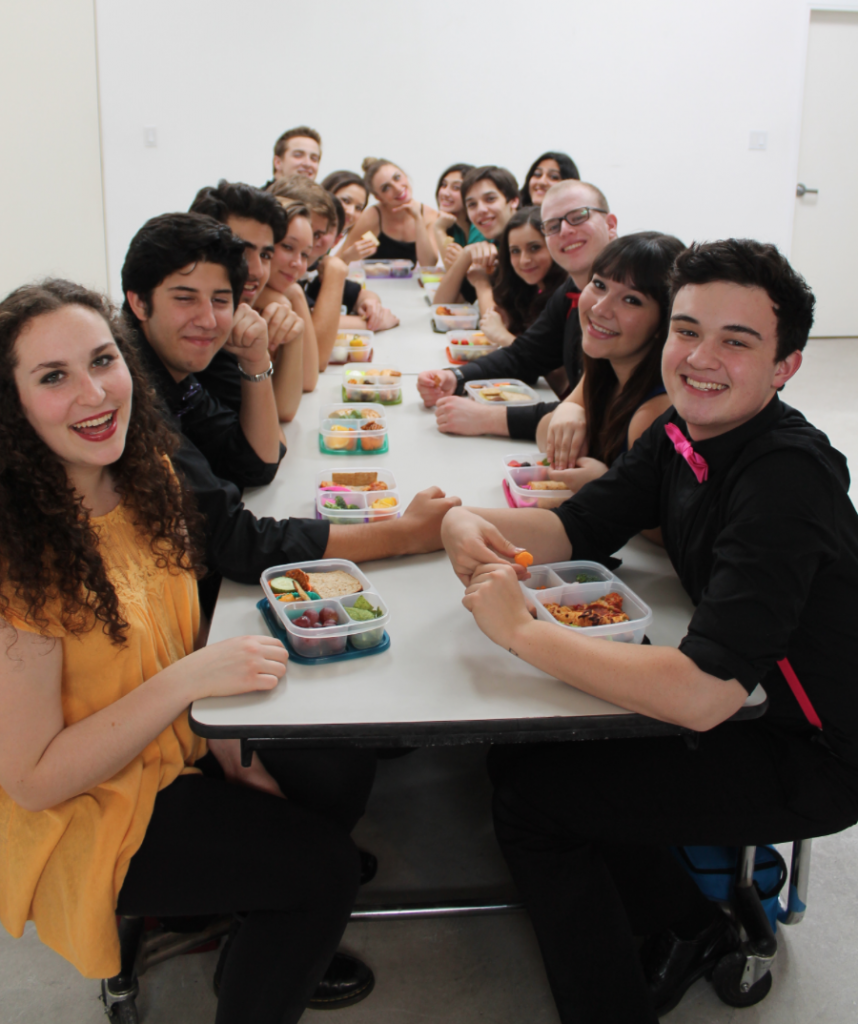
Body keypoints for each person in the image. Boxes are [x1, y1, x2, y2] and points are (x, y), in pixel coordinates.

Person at [440, 239, 858, 1023]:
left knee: (533, 802)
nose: (700, 358)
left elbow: (703, 696)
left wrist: (522, 634)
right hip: (748, 702)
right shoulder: (679, 436)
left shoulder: (784, 477)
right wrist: (460, 519)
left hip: (810, 748)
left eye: (737, 341)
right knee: (523, 752)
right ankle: (695, 928)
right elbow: (577, 528)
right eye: (688, 330)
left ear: (786, 367)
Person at [0, 279, 374, 1021]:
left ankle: (263, 925)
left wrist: (235, 751)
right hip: (89, 808)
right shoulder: (20, 555)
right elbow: (36, 782)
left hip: (178, 742)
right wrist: (189, 688)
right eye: (52, 377)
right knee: (325, 872)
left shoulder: (146, 478)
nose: (93, 393)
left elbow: (179, 637)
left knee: (342, 760)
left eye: (103, 361)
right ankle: (278, 922)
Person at [121, 212, 459, 613]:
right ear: (139, 302)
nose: (208, 319)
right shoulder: (129, 391)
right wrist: (403, 535)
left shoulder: (172, 369)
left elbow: (255, 463)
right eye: (184, 298)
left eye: (220, 300)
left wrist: (255, 359)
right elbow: (237, 543)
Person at [418, 179, 616, 444]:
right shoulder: (571, 288)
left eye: (578, 216)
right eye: (553, 225)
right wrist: (455, 376)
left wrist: (484, 418)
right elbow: (525, 355)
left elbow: (593, 412)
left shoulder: (622, 297)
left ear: (611, 225)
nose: (566, 230)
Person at [535, 232, 683, 496]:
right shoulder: (605, 367)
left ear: (664, 323)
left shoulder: (655, 412)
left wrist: (606, 485)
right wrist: (568, 411)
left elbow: (665, 531)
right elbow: (545, 433)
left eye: (631, 300)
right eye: (599, 285)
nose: (601, 308)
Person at [189, 180, 312, 420]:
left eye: (265, 255)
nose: (256, 270)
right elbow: (270, 429)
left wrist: (294, 337)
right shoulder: (202, 326)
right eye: (241, 252)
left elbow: (283, 411)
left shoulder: (237, 315)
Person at [269, 177, 398, 368]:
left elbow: (359, 295)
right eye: (288, 245)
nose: (313, 242)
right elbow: (316, 359)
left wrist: (370, 304)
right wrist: (366, 323)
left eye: (321, 234)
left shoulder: (305, 268)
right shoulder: (273, 286)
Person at [470, 205, 568, 349]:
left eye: (534, 248)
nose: (524, 260)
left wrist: (504, 337)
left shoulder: (568, 296)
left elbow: (557, 369)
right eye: (515, 251)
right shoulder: (526, 290)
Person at [432, 166, 520, 308]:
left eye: (490, 199)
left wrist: (481, 282)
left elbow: (497, 324)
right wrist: (466, 254)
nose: (481, 210)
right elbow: (440, 306)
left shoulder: (522, 245)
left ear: (513, 201)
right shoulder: (495, 240)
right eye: (472, 204)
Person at [342, 158, 439, 267]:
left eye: (397, 177)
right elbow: (339, 258)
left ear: (405, 175)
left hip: (411, 283)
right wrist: (350, 255)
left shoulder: (430, 215)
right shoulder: (373, 216)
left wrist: (418, 219)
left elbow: (429, 264)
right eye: (386, 188)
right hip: (374, 283)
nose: (397, 188)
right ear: (379, 198)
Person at [431, 163, 484, 270]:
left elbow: (453, 271)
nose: (445, 193)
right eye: (444, 185)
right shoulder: (453, 226)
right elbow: (448, 262)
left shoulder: (480, 226)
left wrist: (439, 229)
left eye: (456, 188)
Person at [321, 170, 378, 264]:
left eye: (358, 208)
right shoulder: (311, 234)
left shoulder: (337, 236)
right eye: (346, 201)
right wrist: (346, 259)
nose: (351, 212)